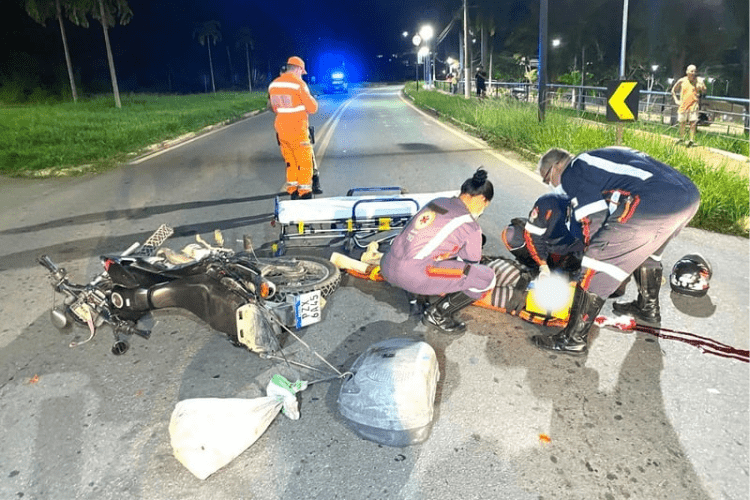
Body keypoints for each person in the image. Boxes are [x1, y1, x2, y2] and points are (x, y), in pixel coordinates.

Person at [531, 146, 701, 354]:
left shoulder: (573, 172)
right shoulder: (596, 159)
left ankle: (572, 338)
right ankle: (647, 308)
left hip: (655, 199)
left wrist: (588, 264)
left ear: (557, 166)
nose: (551, 185)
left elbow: (593, 220)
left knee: (597, 258)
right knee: (647, 252)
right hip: (687, 197)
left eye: (547, 178)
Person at [380, 169, 496, 334]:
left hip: (387, 263)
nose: (483, 210)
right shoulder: (470, 225)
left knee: (426, 253)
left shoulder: (437, 202)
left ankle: (415, 299)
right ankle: (438, 314)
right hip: (411, 274)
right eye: (485, 205)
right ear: (481, 199)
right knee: (485, 278)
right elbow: (471, 262)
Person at [268, 56, 319, 199]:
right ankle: (304, 192)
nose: (301, 75)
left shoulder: (273, 85)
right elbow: (313, 108)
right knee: (304, 161)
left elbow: (273, 107)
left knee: (290, 161)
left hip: (281, 130)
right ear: (297, 69)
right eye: (301, 72)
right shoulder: (298, 84)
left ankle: (292, 189)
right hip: (298, 129)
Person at [501, 192, 584, 277]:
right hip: (545, 245)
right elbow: (532, 235)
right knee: (512, 235)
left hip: (568, 254)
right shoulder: (550, 204)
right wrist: (543, 265)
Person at [671, 65, 707, 146]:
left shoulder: (698, 81)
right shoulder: (682, 80)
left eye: (695, 71)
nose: (693, 73)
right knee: (682, 123)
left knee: (693, 123)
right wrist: (676, 100)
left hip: (694, 105)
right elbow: (673, 90)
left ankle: (691, 139)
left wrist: (702, 86)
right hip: (683, 105)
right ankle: (682, 138)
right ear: (687, 72)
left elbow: (704, 90)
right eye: (691, 71)